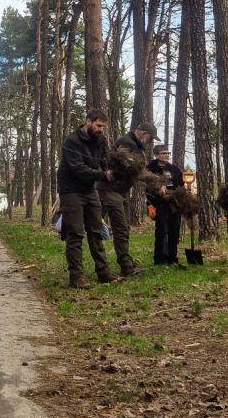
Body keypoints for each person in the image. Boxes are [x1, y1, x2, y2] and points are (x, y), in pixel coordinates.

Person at [57, 110, 121, 289]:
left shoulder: (101, 140)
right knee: (76, 234)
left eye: (103, 127)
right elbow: (77, 169)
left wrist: (117, 168)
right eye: (98, 125)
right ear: (88, 122)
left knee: (96, 231)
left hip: (89, 189)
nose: (101, 130)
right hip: (70, 190)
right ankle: (76, 278)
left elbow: (105, 161)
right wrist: (104, 175)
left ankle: (104, 273)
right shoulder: (72, 141)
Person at [96, 122, 158, 276]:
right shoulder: (126, 143)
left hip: (122, 191)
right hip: (111, 190)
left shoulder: (136, 145)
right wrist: (154, 181)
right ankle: (124, 266)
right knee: (120, 227)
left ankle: (126, 262)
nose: (150, 142)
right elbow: (132, 169)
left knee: (124, 228)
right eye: (150, 138)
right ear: (143, 133)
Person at [146, 145, 184, 265]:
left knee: (174, 231)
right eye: (164, 153)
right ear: (157, 155)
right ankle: (160, 259)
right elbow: (147, 186)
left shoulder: (174, 169)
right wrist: (152, 201)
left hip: (174, 204)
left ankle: (172, 258)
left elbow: (180, 184)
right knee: (162, 231)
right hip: (160, 204)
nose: (167, 155)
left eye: (168, 153)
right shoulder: (150, 168)